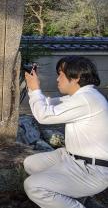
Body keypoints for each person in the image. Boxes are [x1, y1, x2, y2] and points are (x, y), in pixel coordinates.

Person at [23, 56, 108, 208]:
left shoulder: (87, 99)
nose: (57, 79)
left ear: (77, 77)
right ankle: (71, 194)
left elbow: (44, 115)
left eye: (61, 74)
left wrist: (35, 89)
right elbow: (46, 103)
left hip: (92, 169)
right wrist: (33, 88)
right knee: (31, 164)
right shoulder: (81, 96)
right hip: (71, 157)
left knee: (33, 186)